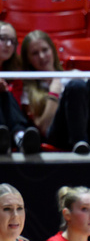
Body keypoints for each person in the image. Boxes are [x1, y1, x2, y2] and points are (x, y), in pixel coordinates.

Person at [20, 30, 90, 155]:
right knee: (75, 87)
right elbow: (43, 129)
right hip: (61, 137)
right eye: (35, 53)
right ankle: (79, 143)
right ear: (28, 60)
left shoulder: (74, 74)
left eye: (45, 50)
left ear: (53, 51)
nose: (42, 57)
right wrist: (54, 94)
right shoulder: (29, 89)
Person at [0, 22, 41, 155]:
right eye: (3, 39)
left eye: (12, 41)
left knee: (5, 96)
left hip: (8, 128)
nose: (8, 45)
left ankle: (21, 138)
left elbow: (16, 105)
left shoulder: (16, 72)